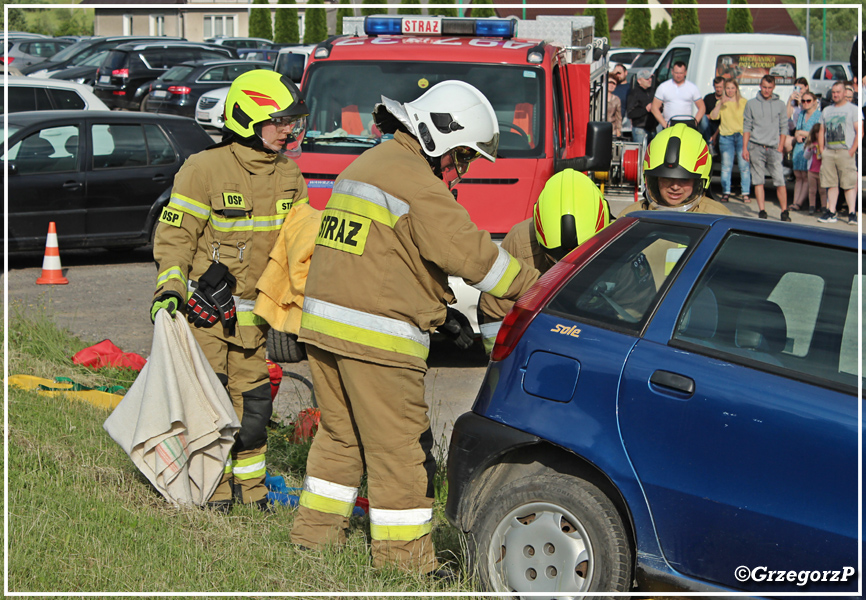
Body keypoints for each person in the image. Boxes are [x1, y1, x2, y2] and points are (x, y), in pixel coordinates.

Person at [289, 81, 540, 576]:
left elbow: (383, 255)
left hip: (323, 330)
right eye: (462, 157)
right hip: (375, 340)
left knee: (340, 438)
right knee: (399, 449)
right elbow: (477, 258)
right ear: (439, 136)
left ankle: (313, 540)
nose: (461, 171)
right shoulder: (416, 183)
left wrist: (437, 308)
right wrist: (543, 287)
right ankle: (405, 564)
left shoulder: (369, 164)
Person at [150, 70, 310, 513]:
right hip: (207, 316)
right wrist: (173, 289)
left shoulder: (290, 176)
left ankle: (253, 493)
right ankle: (213, 491)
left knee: (255, 410)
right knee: (210, 404)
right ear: (246, 120)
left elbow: (300, 247)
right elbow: (176, 236)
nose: (288, 130)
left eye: (292, 122)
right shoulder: (204, 170)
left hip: (255, 322)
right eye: (278, 121)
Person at [477, 169, 611, 353]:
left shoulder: (616, 243)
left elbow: (636, 307)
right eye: (555, 257)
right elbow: (496, 315)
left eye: (581, 257)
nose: (567, 267)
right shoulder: (520, 242)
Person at [620, 123, 730, 216]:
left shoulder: (718, 218)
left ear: (700, 182)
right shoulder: (630, 217)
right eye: (666, 178)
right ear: (654, 180)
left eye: (684, 179)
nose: (675, 187)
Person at [743, 75, 790, 221]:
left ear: (774, 87)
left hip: (774, 146)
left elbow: (784, 126)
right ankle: (762, 210)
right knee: (758, 180)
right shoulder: (751, 104)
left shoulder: (780, 104)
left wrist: (781, 146)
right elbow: (747, 126)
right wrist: (745, 147)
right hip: (756, 146)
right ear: (760, 86)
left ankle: (784, 211)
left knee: (779, 180)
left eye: (769, 88)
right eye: (764, 87)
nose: (766, 90)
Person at [817, 81, 861, 225]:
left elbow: (859, 132)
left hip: (845, 151)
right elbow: (821, 131)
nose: (835, 94)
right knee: (831, 184)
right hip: (829, 152)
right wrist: (822, 150)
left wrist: (852, 150)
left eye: (838, 92)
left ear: (844, 93)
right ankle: (831, 212)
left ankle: (852, 213)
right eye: (833, 92)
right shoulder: (826, 111)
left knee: (848, 184)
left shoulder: (853, 109)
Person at [711, 78, 751, 202]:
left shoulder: (744, 102)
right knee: (726, 166)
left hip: (741, 135)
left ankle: (745, 193)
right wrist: (721, 103)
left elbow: (749, 120)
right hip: (726, 136)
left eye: (732, 88)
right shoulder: (721, 102)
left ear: (736, 89)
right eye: (727, 88)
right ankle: (726, 192)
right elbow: (713, 116)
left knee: (744, 165)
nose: (730, 90)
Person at [789, 91, 822, 213]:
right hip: (800, 145)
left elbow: (818, 133)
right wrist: (798, 135)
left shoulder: (819, 115)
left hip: (811, 147)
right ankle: (795, 201)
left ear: (814, 102)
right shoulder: (802, 113)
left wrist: (801, 133)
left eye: (808, 101)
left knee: (806, 176)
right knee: (798, 175)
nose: (805, 103)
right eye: (803, 101)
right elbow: (797, 130)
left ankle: (799, 202)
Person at [650, 61, 705, 131]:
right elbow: (654, 108)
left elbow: (702, 107)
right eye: (676, 73)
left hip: (687, 125)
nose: (678, 75)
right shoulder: (663, 87)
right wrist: (665, 124)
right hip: (670, 124)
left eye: (681, 73)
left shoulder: (692, 87)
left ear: (685, 73)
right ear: (672, 72)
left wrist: (694, 123)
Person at [627, 69, 657, 146]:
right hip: (640, 129)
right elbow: (630, 113)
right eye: (647, 79)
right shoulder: (634, 93)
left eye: (650, 78)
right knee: (641, 155)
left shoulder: (653, 92)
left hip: (652, 129)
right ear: (639, 81)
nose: (649, 80)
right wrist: (645, 109)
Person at [803, 123, 828, 214]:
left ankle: (824, 206)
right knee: (812, 190)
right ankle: (812, 206)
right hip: (812, 171)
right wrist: (809, 149)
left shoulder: (825, 144)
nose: (818, 135)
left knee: (822, 190)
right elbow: (805, 156)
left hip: (821, 171)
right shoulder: (811, 144)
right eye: (816, 133)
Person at [700, 76, 725, 150]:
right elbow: (704, 114)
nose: (718, 89)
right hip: (710, 125)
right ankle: (709, 143)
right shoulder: (708, 98)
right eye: (716, 87)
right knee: (703, 118)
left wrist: (711, 116)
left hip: (722, 124)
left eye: (720, 87)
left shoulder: (727, 99)